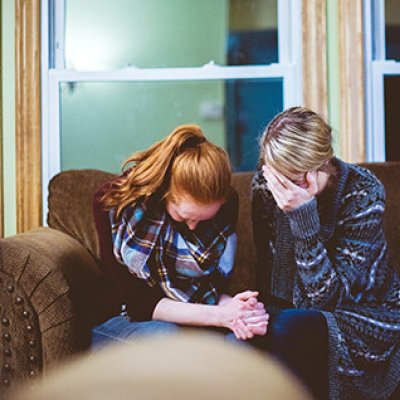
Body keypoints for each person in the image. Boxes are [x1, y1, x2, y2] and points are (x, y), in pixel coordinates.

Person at [251, 107, 400, 400]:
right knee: (256, 332)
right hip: (293, 308)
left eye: (291, 178)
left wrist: (303, 217)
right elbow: (270, 277)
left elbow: (326, 299)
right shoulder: (266, 187)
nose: (281, 187)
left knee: (290, 328)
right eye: (276, 176)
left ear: (319, 166)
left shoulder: (363, 192)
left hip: (365, 313)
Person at [92, 124, 268, 346]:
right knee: (167, 337)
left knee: (242, 343)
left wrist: (241, 310)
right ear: (165, 193)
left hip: (192, 315)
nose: (193, 227)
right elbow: (139, 304)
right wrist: (222, 316)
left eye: (203, 219)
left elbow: (211, 290)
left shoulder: (226, 206)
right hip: (123, 318)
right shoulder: (112, 204)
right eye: (184, 218)